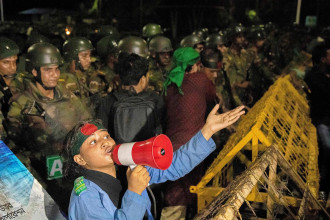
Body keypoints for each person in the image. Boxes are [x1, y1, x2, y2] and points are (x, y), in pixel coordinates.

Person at [65, 104, 245, 220]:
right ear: (80, 159)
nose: (105, 142)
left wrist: (207, 130)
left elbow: (173, 165)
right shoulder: (85, 196)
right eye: (93, 142)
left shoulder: (127, 168)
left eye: (106, 135)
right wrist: (134, 192)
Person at [6, 42, 92, 212]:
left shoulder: (68, 96)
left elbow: (87, 124)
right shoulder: (21, 104)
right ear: (34, 71)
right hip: (40, 177)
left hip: (71, 170)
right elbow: (12, 141)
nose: (54, 75)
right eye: (48, 70)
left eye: (56, 69)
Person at [162, 47, 220, 219]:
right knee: (188, 189)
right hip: (193, 145)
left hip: (171, 144)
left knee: (175, 190)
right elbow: (213, 100)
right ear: (196, 65)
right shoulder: (201, 80)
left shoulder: (170, 82)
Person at [97, 52, 165, 142]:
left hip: (119, 153)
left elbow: (101, 132)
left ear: (119, 77)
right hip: (149, 152)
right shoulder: (156, 99)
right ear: (143, 79)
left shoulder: (108, 101)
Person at [304, 44, 330, 207]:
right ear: (323, 59)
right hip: (322, 121)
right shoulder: (314, 76)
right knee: (327, 151)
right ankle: (322, 192)